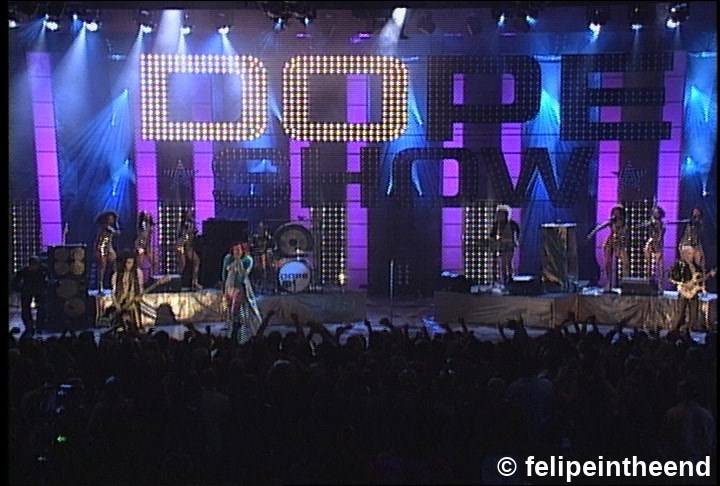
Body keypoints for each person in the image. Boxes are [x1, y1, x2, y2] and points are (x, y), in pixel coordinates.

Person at [222, 242, 262, 344]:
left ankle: (244, 331)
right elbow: (224, 273)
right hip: (230, 285)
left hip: (241, 286)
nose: (237, 252)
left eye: (238, 250)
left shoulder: (248, 260)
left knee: (239, 309)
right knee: (229, 308)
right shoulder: (228, 258)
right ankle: (231, 330)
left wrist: (238, 262)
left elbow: (243, 275)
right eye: (235, 250)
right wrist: (225, 287)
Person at [587, 205, 628, 291]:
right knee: (607, 263)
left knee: (625, 262)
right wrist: (591, 234)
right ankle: (609, 283)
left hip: (620, 243)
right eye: (614, 212)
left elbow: (625, 234)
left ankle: (625, 283)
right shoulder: (611, 221)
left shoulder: (624, 222)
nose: (615, 214)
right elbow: (600, 227)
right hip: (610, 242)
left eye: (617, 212)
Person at [669, 247, 705, 331]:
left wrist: (701, 286)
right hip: (683, 291)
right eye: (688, 253)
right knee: (681, 312)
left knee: (694, 312)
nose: (690, 256)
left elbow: (700, 280)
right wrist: (683, 284)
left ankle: (692, 328)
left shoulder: (696, 266)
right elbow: (671, 278)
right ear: (684, 254)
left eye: (691, 254)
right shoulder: (679, 265)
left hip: (693, 292)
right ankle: (677, 329)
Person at [111, 250, 144, 333]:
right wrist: (117, 305)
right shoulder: (116, 275)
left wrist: (139, 297)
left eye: (132, 263)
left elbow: (141, 289)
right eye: (128, 263)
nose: (130, 265)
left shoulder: (138, 273)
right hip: (120, 304)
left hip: (133, 304)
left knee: (136, 329)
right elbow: (113, 293)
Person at [11, 256, 47, 333]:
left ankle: (39, 326)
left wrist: (46, 287)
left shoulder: (43, 269)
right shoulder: (24, 271)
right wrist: (19, 289)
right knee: (25, 309)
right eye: (33, 265)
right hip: (27, 290)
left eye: (36, 265)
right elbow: (15, 282)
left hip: (39, 290)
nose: (34, 267)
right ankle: (29, 326)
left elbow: (47, 279)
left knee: (41, 308)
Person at [489, 204, 520, 288]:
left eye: (502, 214)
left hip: (510, 245)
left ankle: (510, 278)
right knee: (502, 263)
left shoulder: (512, 224)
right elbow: (492, 235)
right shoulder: (496, 225)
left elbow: (517, 233)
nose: (500, 216)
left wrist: (515, 241)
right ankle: (504, 279)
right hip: (501, 246)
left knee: (509, 262)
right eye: (499, 214)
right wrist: (494, 242)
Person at [95, 211, 120, 292]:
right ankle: (100, 286)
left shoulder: (110, 227)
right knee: (102, 267)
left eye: (112, 219)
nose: (111, 220)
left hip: (109, 247)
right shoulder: (105, 227)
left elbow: (118, 233)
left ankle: (114, 284)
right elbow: (116, 232)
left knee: (114, 265)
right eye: (110, 218)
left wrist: (116, 223)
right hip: (102, 247)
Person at [176, 208, 201, 289]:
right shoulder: (182, 224)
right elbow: (181, 235)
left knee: (196, 261)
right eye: (189, 213)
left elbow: (194, 232)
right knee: (182, 264)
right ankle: (177, 282)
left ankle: (195, 282)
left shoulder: (192, 223)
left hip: (189, 246)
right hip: (181, 245)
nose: (190, 214)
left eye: (191, 212)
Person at [643, 206, 666, 289]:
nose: (655, 214)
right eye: (654, 212)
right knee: (648, 263)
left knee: (659, 264)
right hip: (650, 242)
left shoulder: (662, 224)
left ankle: (660, 285)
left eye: (657, 212)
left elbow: (661, 234)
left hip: (658, 244)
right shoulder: (651, 222)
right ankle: (647, 282)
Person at [677, 208, 705, 273]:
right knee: (688, 264)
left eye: (697, 212)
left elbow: (699, 236)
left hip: (695, 246)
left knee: (698, 264)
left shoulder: (700, 224)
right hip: (686, 245)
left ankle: (697, 276)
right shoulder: (688, 223)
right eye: (694, 212)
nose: (695, 213)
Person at [250, 221, 273, 292]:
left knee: (265, 269)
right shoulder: (255, 237)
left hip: (264, 254)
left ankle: (266, 283)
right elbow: (252, 246)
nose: (261, 230)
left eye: (262, 228)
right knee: (257, 269)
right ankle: (257, 283)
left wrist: (268, 236)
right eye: (259, 228)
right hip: (257, 255)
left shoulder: (266, 237)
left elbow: (271, 245)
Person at [135, 211, 155, 283]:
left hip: (147, 245)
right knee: (140, 263)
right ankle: (139, 278)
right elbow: (142, 235)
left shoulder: (149, 225)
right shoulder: (142, 225)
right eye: (146, 215)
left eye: (148, 215)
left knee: (153, 260)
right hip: (141, 244)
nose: (147, 216)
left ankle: (151, 276)